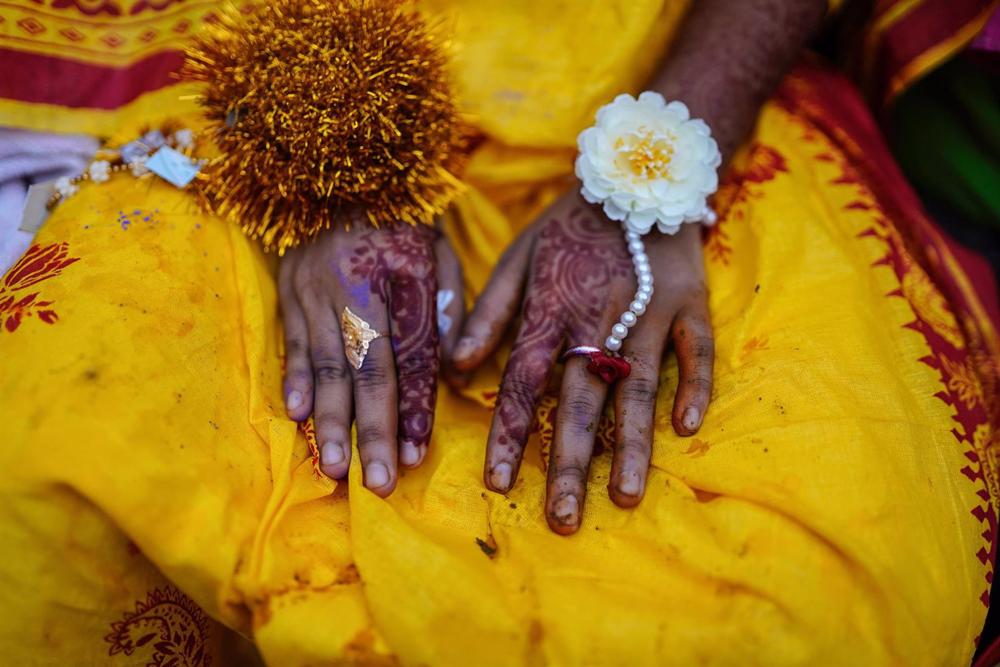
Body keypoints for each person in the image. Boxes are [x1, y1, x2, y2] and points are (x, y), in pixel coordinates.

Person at [0, 0, 997, 664]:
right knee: (55, 475)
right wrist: (327, 155)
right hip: (272, 81)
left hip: (674, 94)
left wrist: (645, 186)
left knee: (822, 605)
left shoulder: (666, 149)